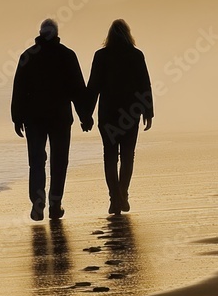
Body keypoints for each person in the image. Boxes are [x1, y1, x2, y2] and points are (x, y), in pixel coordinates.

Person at [11, 18, 93, 221]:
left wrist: (17, 117)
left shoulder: (28, 56)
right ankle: (55, 205)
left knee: (37, 162)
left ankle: (37, 204)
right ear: (56, 34)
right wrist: (85, 116)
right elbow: (77, 89)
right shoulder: (66, 55)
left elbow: (19, 89)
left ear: (40, 33)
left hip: (34, 119)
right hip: (60, 118)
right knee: (59, 162)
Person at [85, 19, 153, 214]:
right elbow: (144, 85)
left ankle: (115, 198)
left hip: (108, 114)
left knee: (110, 156)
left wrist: (86, 114)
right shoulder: (136, 55)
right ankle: (123, 194)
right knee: (127, 156)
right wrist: (148, 112)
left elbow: (93, 86)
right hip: (131, 114)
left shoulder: (101, 56)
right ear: (128, 34)